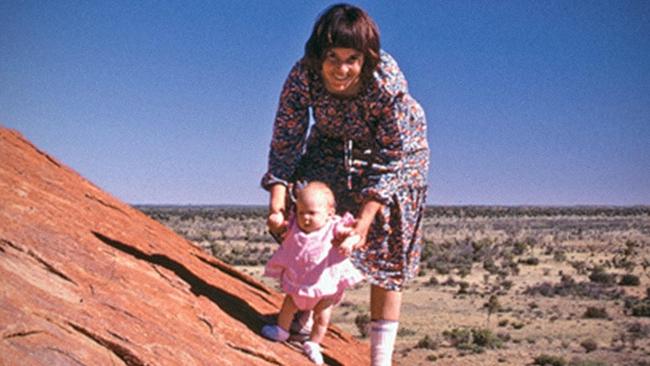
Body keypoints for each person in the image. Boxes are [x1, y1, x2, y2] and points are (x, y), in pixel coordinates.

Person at [261, 3, 429, 365]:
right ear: (318, 55)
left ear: (366, 59)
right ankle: (303, 313)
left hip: (399, 153)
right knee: (310, 207)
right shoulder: (302, 76)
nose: (341, 69)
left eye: (352, 58)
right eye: (332, 57)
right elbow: (286, 140)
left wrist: (364, 224)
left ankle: (379, 359)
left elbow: (390, 158)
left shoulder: (385, 82)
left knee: (386, 238)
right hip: (332, 140)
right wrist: (278, 204)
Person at [261, 181, 364, 364]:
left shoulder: (334, 227)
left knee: (322, 318)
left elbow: (352, 233)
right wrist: (276, 220)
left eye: (312, 213)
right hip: (299, 283)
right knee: (288, 306)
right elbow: (281, 227)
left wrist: (349, 241)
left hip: (324, 284)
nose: (305, 218)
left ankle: (314, 343)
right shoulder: (294, 226)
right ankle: (282, 331)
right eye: (301, 212)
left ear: (329, 213)